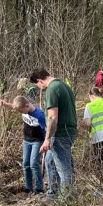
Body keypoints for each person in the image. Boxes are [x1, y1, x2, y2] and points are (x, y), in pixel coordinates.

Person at [31, 68, 78, 198]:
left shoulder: (52, 89)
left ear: (40, 81)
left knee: (64, 170)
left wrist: (47, 138)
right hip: (69, 131)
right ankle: (53, 194)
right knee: (49, 161)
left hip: (60, 134)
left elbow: (52, 118)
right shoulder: (64, 85)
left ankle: (65, 201)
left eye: (38, 86)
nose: (41, 89)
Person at [0, 95, 46, 193]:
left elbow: (46, 129)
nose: (20, 113)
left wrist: (46, 142)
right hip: (26, 140)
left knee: (33, 163)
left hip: (37, 141)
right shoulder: (22, 107)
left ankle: (39, 187)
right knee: (25, 163)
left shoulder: (39, 115)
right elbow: (14, 105)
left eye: (21, 111)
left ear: (27, 106)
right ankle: (28, 187)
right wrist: (5, 104)